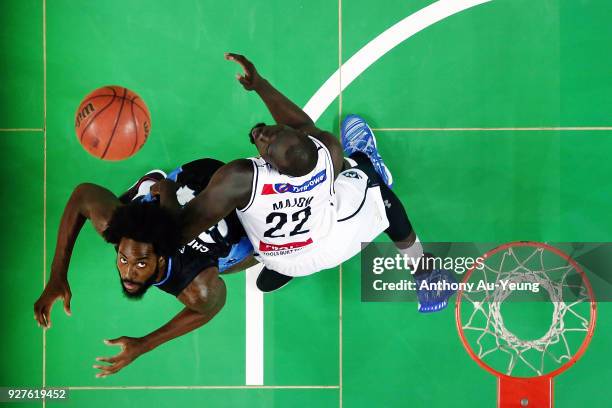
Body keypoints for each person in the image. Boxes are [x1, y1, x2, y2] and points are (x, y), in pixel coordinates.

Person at [180, 54, 455, 312]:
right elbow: (300, 124)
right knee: (367, 187)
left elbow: (187, 227)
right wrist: (261, 85)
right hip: (325, 242)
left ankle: (283, 271)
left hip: (280, 258)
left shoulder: (244, 180)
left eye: (268, 141)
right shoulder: (328, 154)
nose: (265, 134)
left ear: (271, 164)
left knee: (375, 189)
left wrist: (167, 192)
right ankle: (422, 268)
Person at [33, 158, 255, 377]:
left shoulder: (196, 285)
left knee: (252, 255)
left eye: (140, 263)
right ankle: (148, 188)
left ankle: (279, 260)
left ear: (160, 259)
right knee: (138, 206)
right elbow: (83, 195)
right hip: (197, 177)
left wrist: (145, 344)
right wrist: (57, 273)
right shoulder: (117, 229)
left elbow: (212, 306)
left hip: (240, 207)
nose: (128, 273)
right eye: (123, 259)